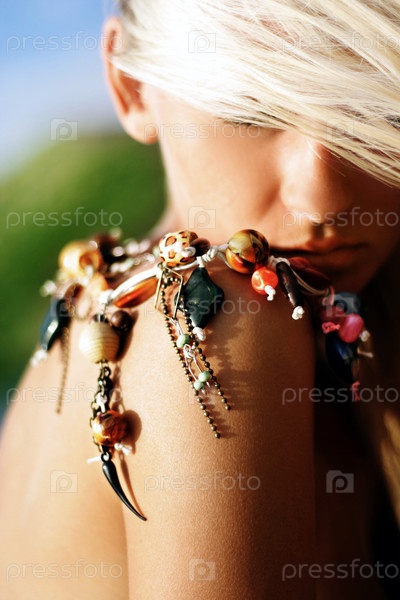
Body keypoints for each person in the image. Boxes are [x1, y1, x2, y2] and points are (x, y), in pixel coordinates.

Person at [1, 1, 400, 598]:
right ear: (131, 86)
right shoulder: (217, 326)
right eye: (250, 110)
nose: (321, 199)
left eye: (378, 111)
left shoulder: (94, 310)